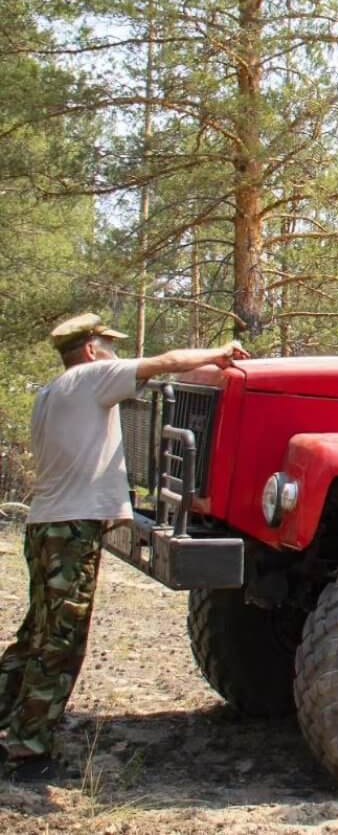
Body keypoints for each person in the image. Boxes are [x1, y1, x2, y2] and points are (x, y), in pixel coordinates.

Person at [0, 314, 248, 781]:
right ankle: (28, 750)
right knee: (61, 642)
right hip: (71, 530)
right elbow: (167, 362)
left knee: (36, 632)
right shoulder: (93, 378)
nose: (115, 353)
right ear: (91, 350)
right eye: (108, 345)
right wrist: (218, 355)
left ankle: (12, 723)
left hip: (43, 526)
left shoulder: (50, 393)